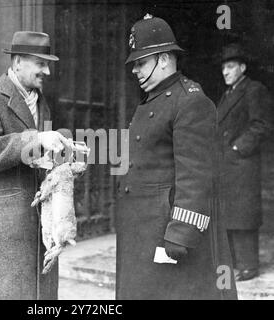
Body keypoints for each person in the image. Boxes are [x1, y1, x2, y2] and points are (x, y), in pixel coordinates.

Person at [115, 14, 237, 299]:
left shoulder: (190, 101)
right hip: (144, 228)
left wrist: (181, 232)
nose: (135, 70)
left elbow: (196, 174)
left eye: (141, 63)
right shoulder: (153, 99)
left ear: (165, 59)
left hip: (167, 231)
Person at [0, 31, 71, 299]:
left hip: (35, 226)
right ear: (18, 62)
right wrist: (36, 139)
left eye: (48, 64)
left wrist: (62, 153)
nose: (47, 71)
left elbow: (35, 153)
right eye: (40, 63)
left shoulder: (41, 104)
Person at [217, 43, 273, 281]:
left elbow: (262, 125)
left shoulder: (253, 89)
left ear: (242, 67)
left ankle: (249, 266)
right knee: (230, 214)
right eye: (224, 68)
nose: (226, 72)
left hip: (242, 164)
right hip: (227, 163)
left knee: (243, 216)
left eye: (230, 67)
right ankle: (234, 264)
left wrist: (238, 148)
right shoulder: (228, 94)